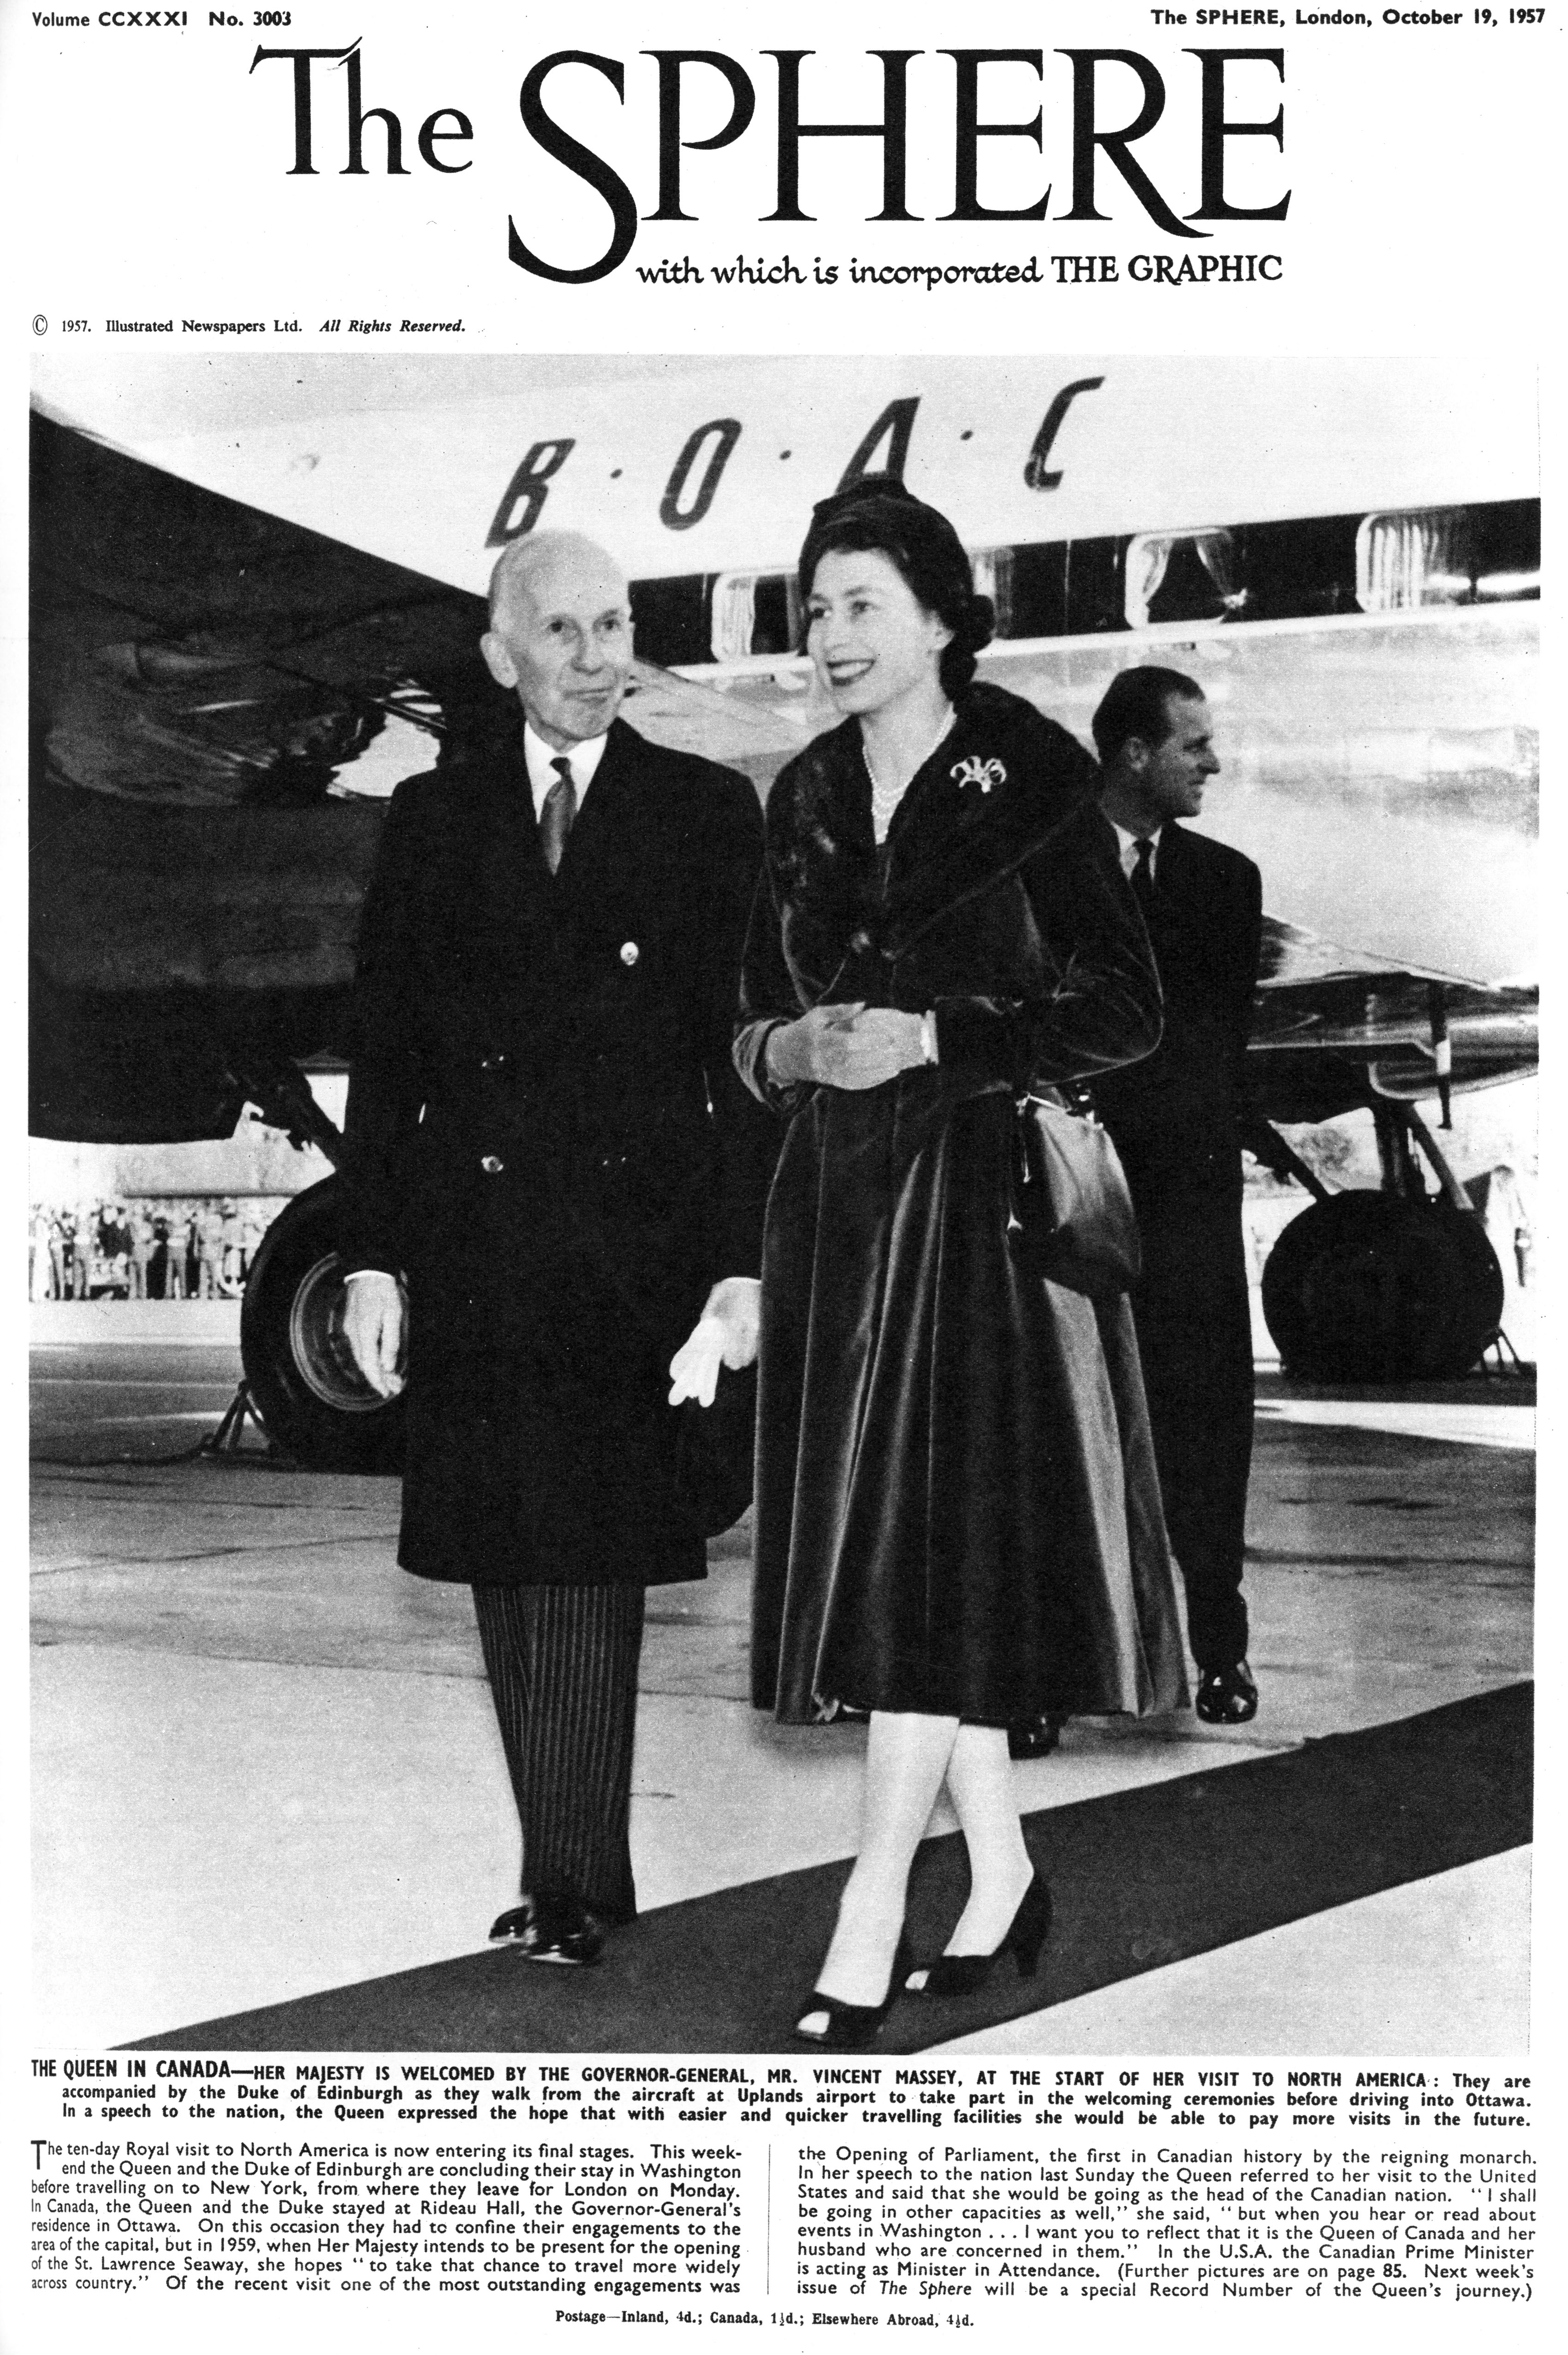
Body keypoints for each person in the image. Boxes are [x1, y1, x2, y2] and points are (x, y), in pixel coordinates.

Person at [734, 479, 1188, 2048]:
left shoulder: (1037, 780)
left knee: (917, 1582)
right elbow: (744, 1034)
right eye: (814, 610)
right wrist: (793, 1041)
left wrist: (943, 1034)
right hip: (839, 1228)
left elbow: (1126, 1009)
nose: (830, 637)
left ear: (940, 615)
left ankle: (870, 1911)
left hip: (979, 1224)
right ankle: (998, 1876)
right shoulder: (798, 799)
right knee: (929, 1582)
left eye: (861, 604)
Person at [341, 530, 775, 1965]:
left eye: (618, 627)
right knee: (505, 1563)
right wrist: (372, 1257)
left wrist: (739, 1264)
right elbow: (389, 1056)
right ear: (500, 654)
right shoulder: (431, 817)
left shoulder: (705, 814)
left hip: (630, 1253)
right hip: (473, 1240)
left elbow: (740, 1060)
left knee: (582, 1561)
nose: (602, 659)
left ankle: (580, 1879)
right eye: (570, 633)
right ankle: (563, 1864)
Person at [1089, 666, 1264, 1726]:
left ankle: (1219, 1651)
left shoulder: (1223, 881)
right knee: (1070, 1436)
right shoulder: (1044, 872)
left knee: (1205, 1427)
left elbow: (1212, 1053)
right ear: (1132, 754)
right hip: (1073, 1195)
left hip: (1187, 1202)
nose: (1210, 762)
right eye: (1190, 744)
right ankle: (1060, 1670)